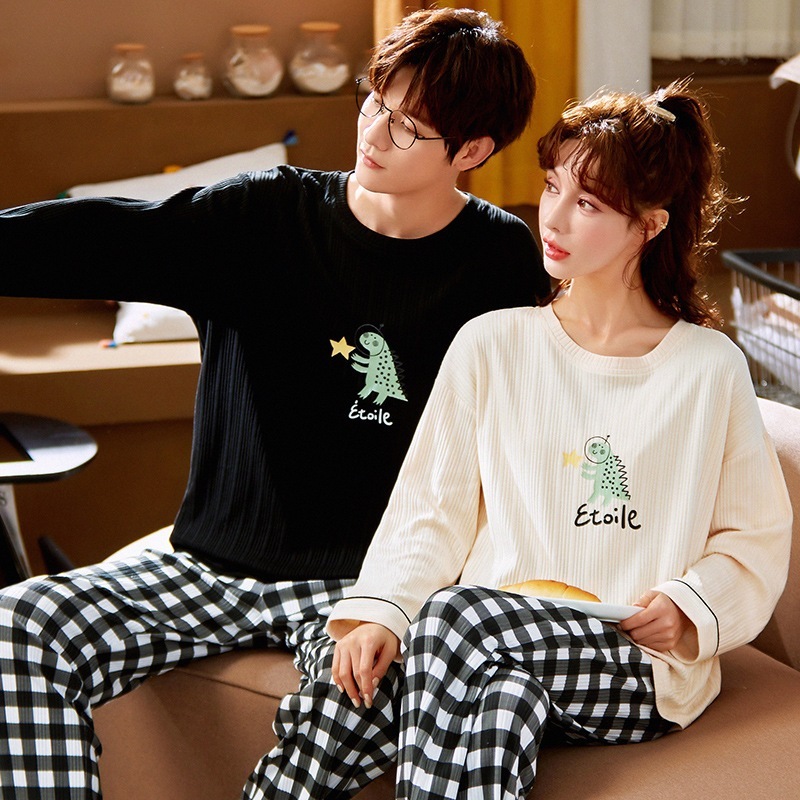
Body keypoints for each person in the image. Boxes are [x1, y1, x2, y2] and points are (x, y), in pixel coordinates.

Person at [0, 8, 549, 798]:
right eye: (374, 102)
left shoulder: (499, 262)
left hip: (364, 586)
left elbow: (532, 425)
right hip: (203, 567)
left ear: (471, 151)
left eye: (406, 127)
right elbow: (103, 237)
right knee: (17, 625)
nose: (372, 132)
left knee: (370, 701)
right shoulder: (262, 216)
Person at [326, 80, 793, 799]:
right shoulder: (490, 344)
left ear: (650, 225)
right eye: (552, 187)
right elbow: (431, 508)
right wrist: (384, 610)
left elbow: (752, 537)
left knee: (448, 619)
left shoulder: (707, 368)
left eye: (589, 204)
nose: (554, 217)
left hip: (633, 662)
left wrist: (689, 604)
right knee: (492, 699)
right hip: (486, 642)